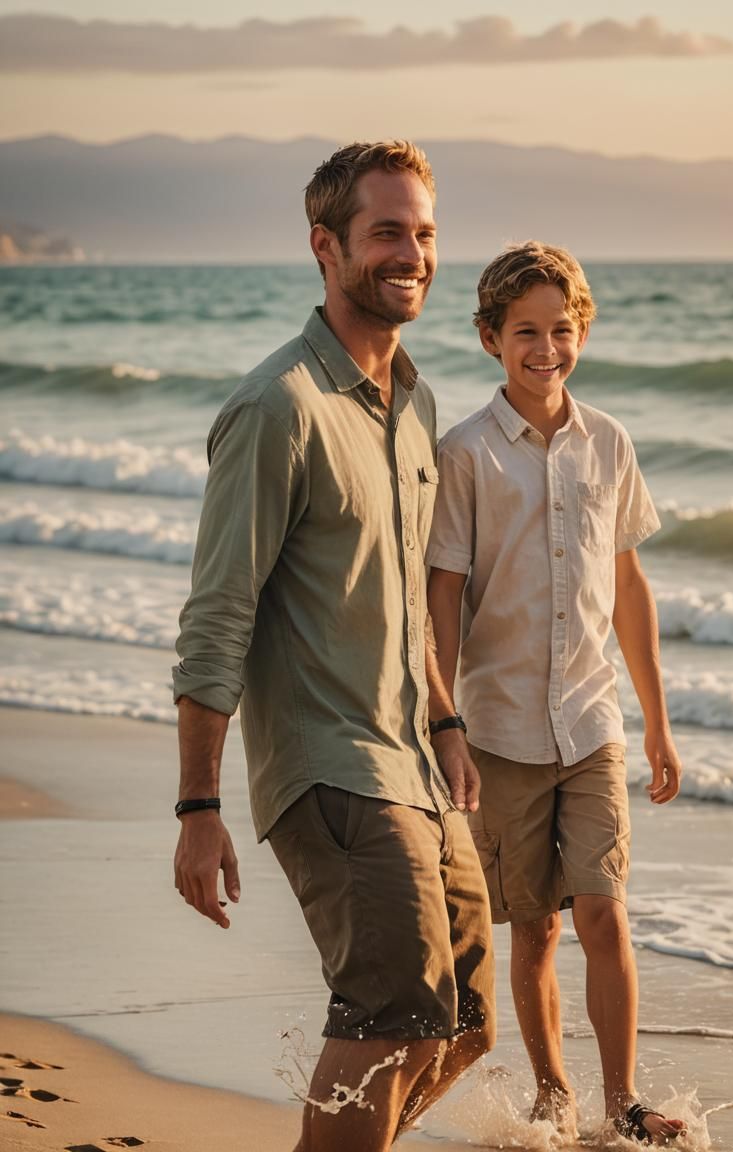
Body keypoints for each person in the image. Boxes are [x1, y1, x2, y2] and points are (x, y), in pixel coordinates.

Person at [172, 140, 495, 1152]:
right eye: (386, 232)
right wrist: (197, 806)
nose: (411, 253)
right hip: (328, 765)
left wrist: (445, 717)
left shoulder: (414, 404)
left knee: (464, 1025)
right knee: (394, 1009)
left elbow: (399, 592)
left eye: (424, 233)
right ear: (327, 246)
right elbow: (217, 613)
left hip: (414, 762)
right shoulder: (277, 410)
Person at [426, 241, 686, 1145]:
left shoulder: (609, 441)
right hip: (497, 732)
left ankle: (621, 1103)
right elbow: (444, 596)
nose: (546, 348)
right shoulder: (462, 454)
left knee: (605, 911)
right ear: (492, 337)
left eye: (562, 330)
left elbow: (629, 588)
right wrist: (443, 720)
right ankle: (553, 1093)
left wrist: (655, 724)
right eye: (525, 332)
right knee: (533, 930)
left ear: (583, 333)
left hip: (591, 723)